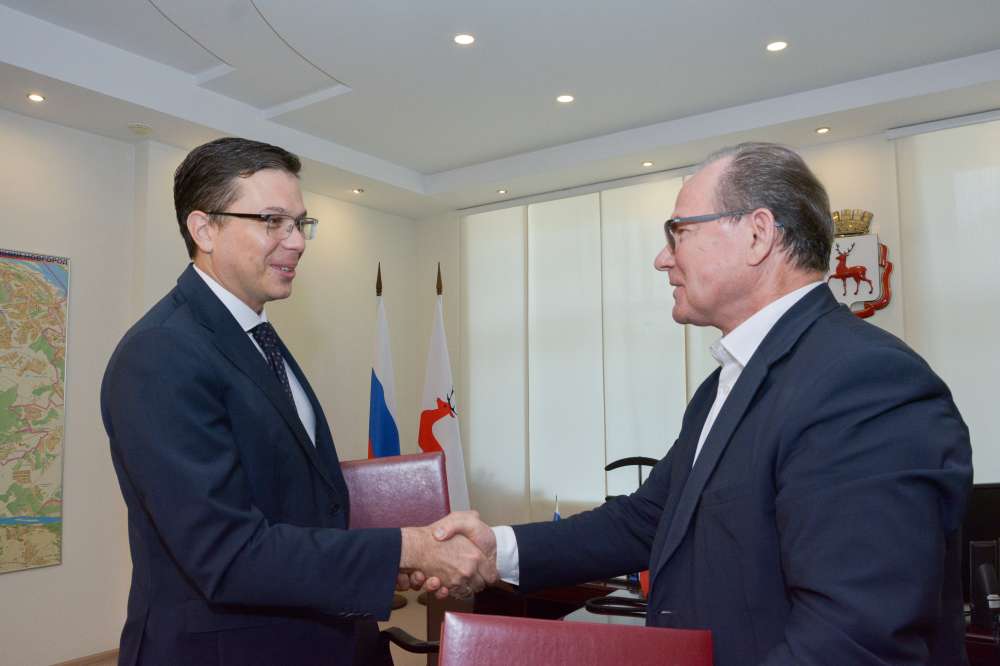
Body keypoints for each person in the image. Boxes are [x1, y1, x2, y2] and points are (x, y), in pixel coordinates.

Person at [420, 142, 973, 665]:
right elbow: (647, 519)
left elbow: (853, 640)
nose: (662, 258)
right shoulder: (726, 382)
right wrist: (495, 549)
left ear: (758, 235)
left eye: (679, 231)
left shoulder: (865, 381)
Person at [101, 137, 494, 666]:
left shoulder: (255, 335)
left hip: (321, 635)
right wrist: (408, 547)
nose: (296, 241)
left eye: (300, 222)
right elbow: (228, 554)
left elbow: (299, 504)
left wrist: (383, 562)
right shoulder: (160, 354)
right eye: (272, 221)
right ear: (204, 229)